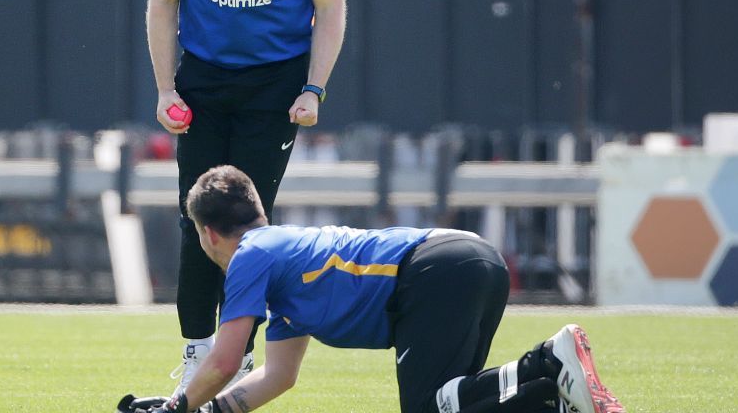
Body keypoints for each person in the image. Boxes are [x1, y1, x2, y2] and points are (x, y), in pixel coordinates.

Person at [140, 0, 354, 395]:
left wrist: (314, 87)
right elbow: (161, 1)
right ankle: (195, 352)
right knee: (196, 219)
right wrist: (164, 89)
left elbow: (331, 6)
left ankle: (236, 359)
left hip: (273, 86)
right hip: (204, 82)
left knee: (251, 231)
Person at [119, 166, 626, 413]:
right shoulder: (285, 267)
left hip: (435, 271)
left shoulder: (251, 255)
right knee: (455, 406)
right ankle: (552, 395)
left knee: (427, 409)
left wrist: (174, 408)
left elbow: (225, 361)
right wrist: (200, 408)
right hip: (467, 259)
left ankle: (546, 361)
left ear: (207, 233)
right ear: (258, 208)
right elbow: (276, 378)